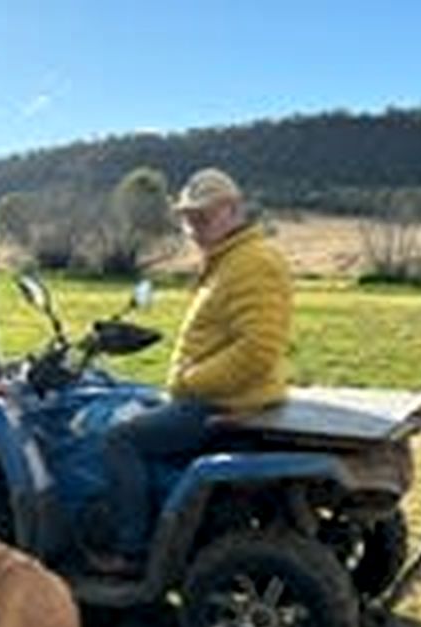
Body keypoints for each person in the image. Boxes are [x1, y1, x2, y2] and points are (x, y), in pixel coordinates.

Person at [95, 168, 292, 574]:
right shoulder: (229, 259)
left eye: (204, 217)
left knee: (119, 440)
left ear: (233, 210)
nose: (195, 227)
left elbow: (258, 348)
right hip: (228, 395)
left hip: (219, 400)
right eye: (189, 219)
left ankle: (131, 552)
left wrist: (191, 380)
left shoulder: (251, 263)